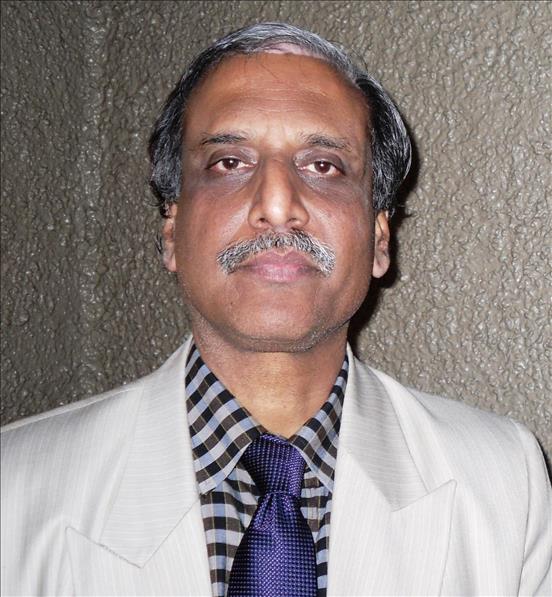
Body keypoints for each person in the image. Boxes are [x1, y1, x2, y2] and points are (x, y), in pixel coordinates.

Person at [1, 22, 550, 597]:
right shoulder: (13, 488)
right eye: (229, 163)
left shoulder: (506, 482)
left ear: (379, 238)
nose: (278, 204)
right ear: (171, 231)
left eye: (324, 166)